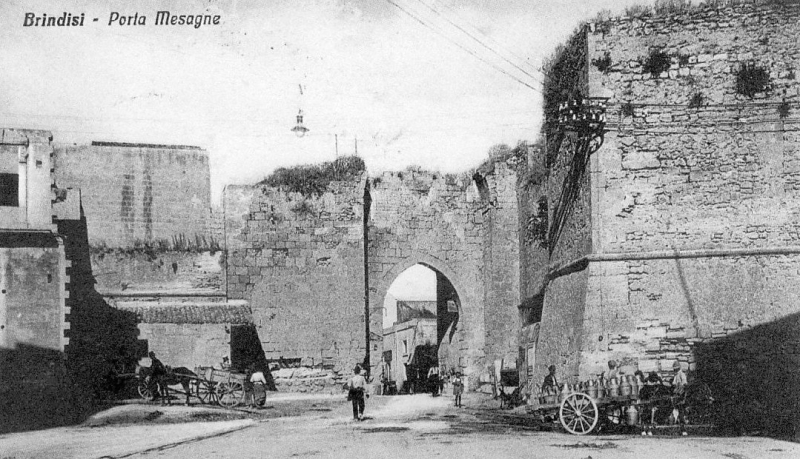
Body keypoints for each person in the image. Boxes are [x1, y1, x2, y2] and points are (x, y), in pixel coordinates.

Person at [671, 361, 688, 436]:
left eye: (676, 369)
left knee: (681, 411)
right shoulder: (676, 375)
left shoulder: (682, 374)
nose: (675, 370)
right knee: (677, 410)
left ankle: (683, 429)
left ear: (678, 368)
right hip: (677, 395)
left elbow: (684, 384)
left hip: (681, 395)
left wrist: (680, 392)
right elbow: (674, 384)